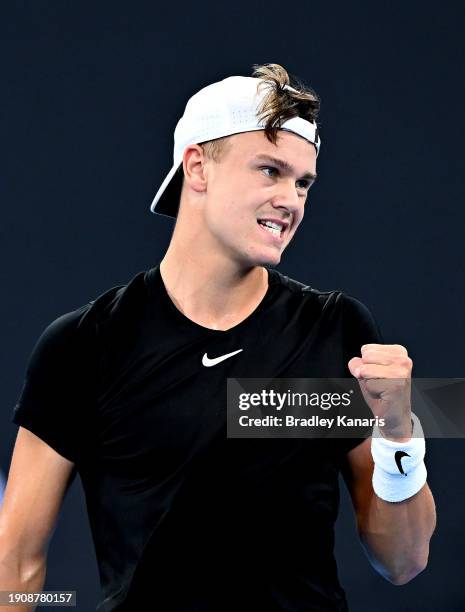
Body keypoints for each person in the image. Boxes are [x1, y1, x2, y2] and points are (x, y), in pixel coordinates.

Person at [1, 63, 436, 612]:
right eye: (270, 171)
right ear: (198, 167)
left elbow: (403, 562)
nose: (292, 200)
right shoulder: (81, 345)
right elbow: (14, 568)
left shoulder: (337, 330)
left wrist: (399, 434)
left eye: (303, 182)